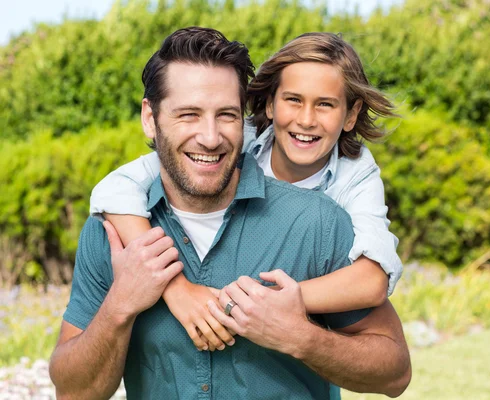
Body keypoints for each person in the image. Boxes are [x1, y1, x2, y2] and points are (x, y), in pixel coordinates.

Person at [49, 27, 411, 399]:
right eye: (188, 114)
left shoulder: (321, 221)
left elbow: (394, 374)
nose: (209, 136)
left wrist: (301, 337)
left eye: (226, 115)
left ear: (245, 120)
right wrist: (121, 304)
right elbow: (74, 393)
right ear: (150, 118)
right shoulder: (113, 232)